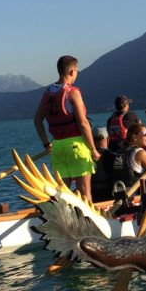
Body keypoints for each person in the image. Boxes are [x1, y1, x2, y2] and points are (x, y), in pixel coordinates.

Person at [33, 55, 100, 202]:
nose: (76, 74)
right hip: (76, 146)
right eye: (77, 71)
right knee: (84, 192)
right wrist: (93, 149)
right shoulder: (72, 92)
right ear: (71, 72)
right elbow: (83, 123)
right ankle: (86, 217)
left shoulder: (48, 92)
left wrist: (46, 143)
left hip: (57, 146)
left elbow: (37, 120)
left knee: (61, 194)